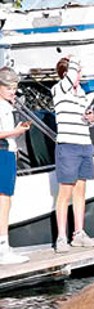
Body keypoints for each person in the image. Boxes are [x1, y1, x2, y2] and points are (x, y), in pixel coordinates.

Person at [52, 56, 94, 253]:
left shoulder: (81, 94)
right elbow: (70, 76)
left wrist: (91, 119)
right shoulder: (58, 89)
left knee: (80, 191)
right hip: (68, 146)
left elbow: (90, 121)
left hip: (84, 144)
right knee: (65, 193)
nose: (80, 76)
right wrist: (74, 59)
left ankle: (79, 233)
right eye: (77, 72)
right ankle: (61, 237)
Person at [0, 67, 30, 265]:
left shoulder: (6, 105)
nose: (13, 91)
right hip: (2, 153)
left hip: (8, 152)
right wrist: (15, 133)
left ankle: (4, 245)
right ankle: (3, 248)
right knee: (4, 200)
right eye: (9, 87)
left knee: (6, 200)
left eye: (14, 87)